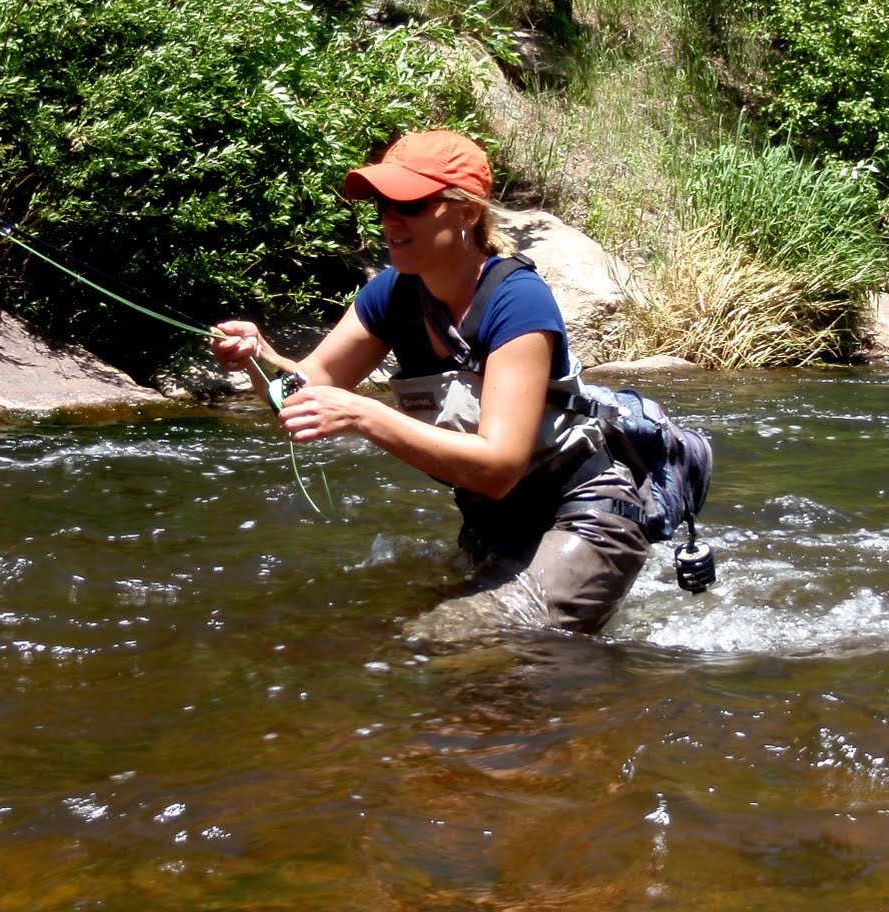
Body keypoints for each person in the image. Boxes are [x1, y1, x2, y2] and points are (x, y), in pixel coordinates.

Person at [211, 130, 648, 643]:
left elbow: (498, 468)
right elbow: (302, 392)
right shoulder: (390, 296)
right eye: (383, 205)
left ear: (468, 213)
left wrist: (362, 414)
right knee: (391, 634)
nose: (390, 220)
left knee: (442, 641)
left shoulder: (518, 301)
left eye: (412, 205)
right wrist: (259, 358)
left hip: (584, 518)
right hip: (496, 528)